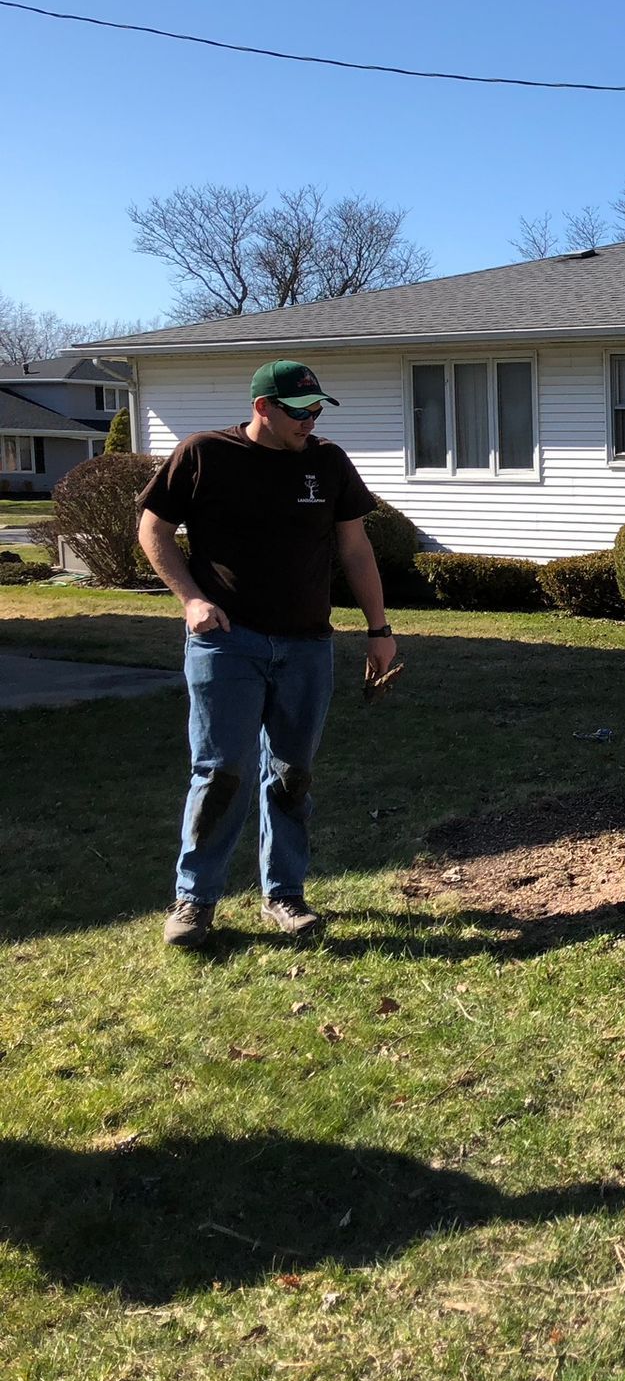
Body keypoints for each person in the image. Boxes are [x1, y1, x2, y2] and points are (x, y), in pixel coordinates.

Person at [135, 359, 399, 949]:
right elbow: (153, 529)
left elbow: (355, 550)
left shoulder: (327, 463)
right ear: (262, 407)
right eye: (298, 411)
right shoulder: (204, 454)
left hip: (308, 644)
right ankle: (195, 900)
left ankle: (284, 895)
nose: (310, 421)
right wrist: (191, 599)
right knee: (221, 772)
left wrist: (378, 629)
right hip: (228, 641)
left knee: (291, 775)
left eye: (315, 410)